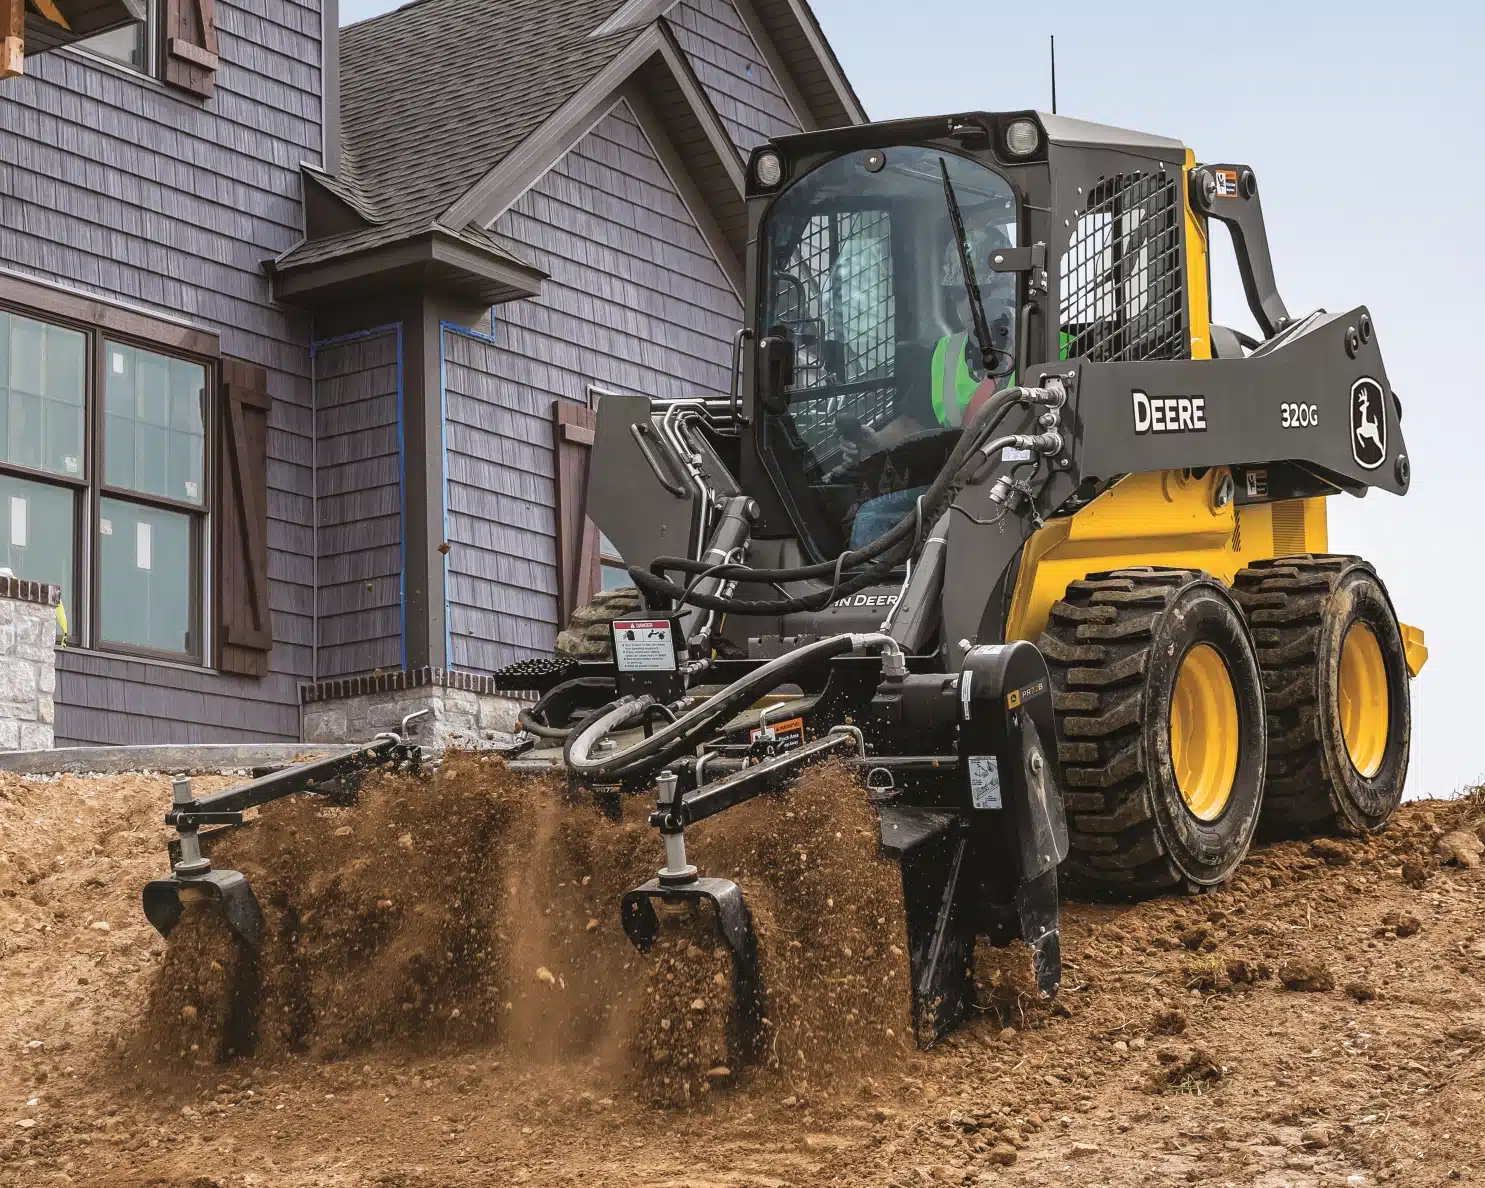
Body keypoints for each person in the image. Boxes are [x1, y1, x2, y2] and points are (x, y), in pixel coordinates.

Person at [845, 220, 1017, 549]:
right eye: (957, 295)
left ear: (1009, 288)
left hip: (1025, 483)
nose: (968, 306)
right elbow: (914, 422)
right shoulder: (945, 354)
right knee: (872, 518)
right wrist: (876, 442)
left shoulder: (1056, 344)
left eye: (980, 291)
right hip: (952, 484)